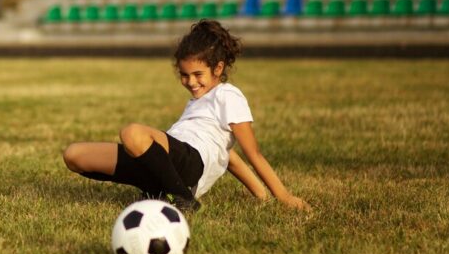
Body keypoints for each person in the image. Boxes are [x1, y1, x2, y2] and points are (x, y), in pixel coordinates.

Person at [61, 19, 309, 213]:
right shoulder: (196, 104)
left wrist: (284, 197)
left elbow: (253, 153)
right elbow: (228, 157)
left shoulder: (228, 95)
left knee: (132, 133)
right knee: (74, 155)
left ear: (218, 68)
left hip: (190, 166)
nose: (191, 82)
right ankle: (160, 191)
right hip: (165, 164)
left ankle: (183, 199)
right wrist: (260, 195)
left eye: (198, 74)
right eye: (184, 75)